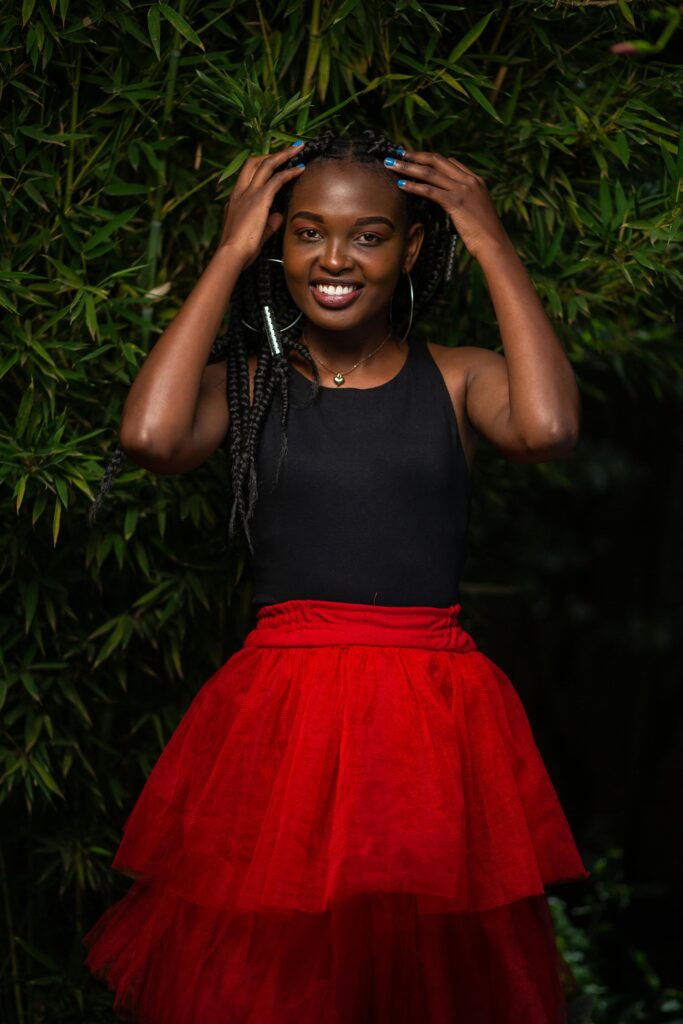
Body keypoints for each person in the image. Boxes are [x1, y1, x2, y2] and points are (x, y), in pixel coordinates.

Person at [83, 128, 590, 1023]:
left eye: (368, 235)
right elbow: (151, 440)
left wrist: (490, 237)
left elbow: (547, 429)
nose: (334, 258)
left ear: (412, 246)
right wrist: (234, 245)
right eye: (307, 231)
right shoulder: (249, 383)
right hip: (284, 725)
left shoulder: (460, 377)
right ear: (279, 242)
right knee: (276, 985)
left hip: (430, 726)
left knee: (415, 985)